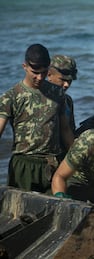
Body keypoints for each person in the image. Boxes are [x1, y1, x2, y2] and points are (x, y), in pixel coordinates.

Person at [0, 44, 74, 193]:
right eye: (35, 72)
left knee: (57, 210)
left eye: (44, 72)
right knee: (22, 213)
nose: (39, 77)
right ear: (24, 66)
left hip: (52, 164)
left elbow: (65, 130)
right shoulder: (11, 97)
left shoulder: (57, 93)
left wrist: (76, 158)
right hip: (23, 166)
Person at [47, 55, 78, 135]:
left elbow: (71, 132)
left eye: (69, 81)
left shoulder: (67, 101)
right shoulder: (39, 98)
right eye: (63, 80)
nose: (66, 85)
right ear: (49, 75)